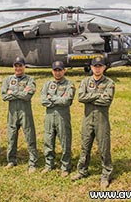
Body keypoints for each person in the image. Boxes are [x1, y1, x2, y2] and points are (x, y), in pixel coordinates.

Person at [71, 56, 115, 189]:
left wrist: (90, 97)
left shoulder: (109, 83)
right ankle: (82, 171)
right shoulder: (85, 81)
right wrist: (98, 95)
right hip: (88, 119)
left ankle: (106, 174)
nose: (97, 68)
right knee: (85, 146)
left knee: (104, 148)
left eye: (100, 66)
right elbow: (81, 97)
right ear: (91, 67)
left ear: (104, 67)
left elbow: (106, 101)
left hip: (102, 121)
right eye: (95, 66)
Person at [1, 57, 38, 173]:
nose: (18, 68)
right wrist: (21, 92)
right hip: (12, 113)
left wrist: (12, 92)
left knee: (30, 136)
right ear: (13, 67)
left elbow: (27, 96)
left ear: (24, 67)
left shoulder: (30, 80)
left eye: (20, 66)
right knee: (11, 137)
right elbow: (4, 96)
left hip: (25, 112)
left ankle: (33, 163)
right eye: (16, 66)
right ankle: (11, 160)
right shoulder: (7, 80)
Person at [41, 61, 75, 177]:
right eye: (55, 70)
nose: (58, 72)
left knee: (65, 141)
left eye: (60, 70)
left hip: (62, 117)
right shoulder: (47, 84)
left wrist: (52, 98)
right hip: (49, 117)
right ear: (52, 71)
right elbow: (43, 101)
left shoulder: (69, 84)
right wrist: (58, 99)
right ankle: (49, 164)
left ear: (64, 70)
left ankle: (65, 166)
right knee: (48, 140)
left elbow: (66, 101)